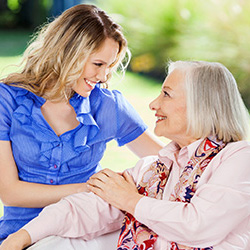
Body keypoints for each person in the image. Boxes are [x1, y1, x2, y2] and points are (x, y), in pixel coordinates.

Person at [1, 60, 250, 250]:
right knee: (55, 242)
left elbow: (199, 226)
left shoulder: (238, 158)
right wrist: (22, 237)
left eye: (166, 94)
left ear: (201, 104)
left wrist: (130, 201)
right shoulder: (156, 167)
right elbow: (90, 208)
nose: (153, 104)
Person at [0, 4, 164, 244]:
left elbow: (164, 159)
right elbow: (11, 193)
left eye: (110, 66)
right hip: (17, 236)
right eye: (98, 64)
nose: (104, 76)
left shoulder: (107, 106)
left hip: (84, 235)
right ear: (68, 53)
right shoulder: (8, 100)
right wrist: (90, 189)